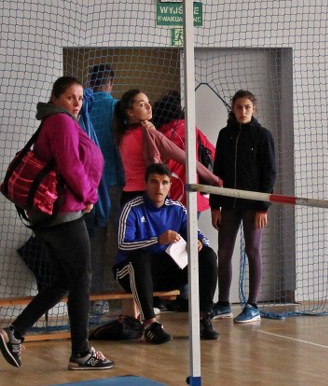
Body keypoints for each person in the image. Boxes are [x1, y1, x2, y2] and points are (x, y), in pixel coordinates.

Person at [1, 76, 114, 370]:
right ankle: (81, 352)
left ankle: (14, 332)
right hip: (64, 213)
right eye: (70, 97)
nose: (76, 103)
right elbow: (70, 165)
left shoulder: (56, 120)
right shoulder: (61, 122)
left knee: (64, 280)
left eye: (80, 98)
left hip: (51, 216)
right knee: (82, 278)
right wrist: (89, 195)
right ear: (55, 98)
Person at [114, 163, 219, 343]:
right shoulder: (131, 208)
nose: (159, 187)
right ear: (146, 184)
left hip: (166, 272)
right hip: (131, 272)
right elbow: (123, 244)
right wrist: (157, 240)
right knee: (140, 257)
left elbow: (201, 236)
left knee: (207, 254)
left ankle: (203, 318)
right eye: (154, 182)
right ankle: (150, 324)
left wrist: (198, 242)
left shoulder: (178, 209)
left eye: (164, 183)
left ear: (170, 185)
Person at [209, 90, 277, 324]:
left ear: (253, 108)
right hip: (229, 203)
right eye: (239, 107)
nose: (243, 111)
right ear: (233, 109)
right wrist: (214, 206)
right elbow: (217, 172)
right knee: (224, 252)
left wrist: (263, 207)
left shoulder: (263, 136)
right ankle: (223, 303)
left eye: (247, 107)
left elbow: (270, 173)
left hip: (253, 205)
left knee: (252, 250)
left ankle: (252, 305)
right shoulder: (225, 134)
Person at [112, 89, 221, 210]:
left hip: (127, 197)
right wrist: (215, 180)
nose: (149, 107)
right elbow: (186, 159)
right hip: (149, 197)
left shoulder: (122, 135)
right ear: (130, 112)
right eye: (142, 104)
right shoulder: (150, 133)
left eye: (148, 102)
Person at [84, 64, 125, 295]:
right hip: (115, 184)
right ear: (111, 83)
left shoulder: (84, 107)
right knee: (121, 239)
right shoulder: (117, 107)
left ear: (90, 82)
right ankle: (123, 291)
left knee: (95, 242)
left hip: (89, 187)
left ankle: (96, 296)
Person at [151, 90, 216, 213]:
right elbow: (213, 153)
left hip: (173, 195)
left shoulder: (161, 137)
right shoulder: (194, 131)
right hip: (197, 194)